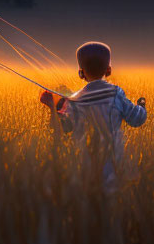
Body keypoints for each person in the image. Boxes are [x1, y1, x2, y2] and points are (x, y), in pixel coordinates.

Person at [39, 41, 147, 187]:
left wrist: (52, 107)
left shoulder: (75, 100)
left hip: (84, 170)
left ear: (81, 73)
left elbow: (64, 127)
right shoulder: (116, 94)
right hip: (115, 167)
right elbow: (137, 119)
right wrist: (141, 105)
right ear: (108, 70)